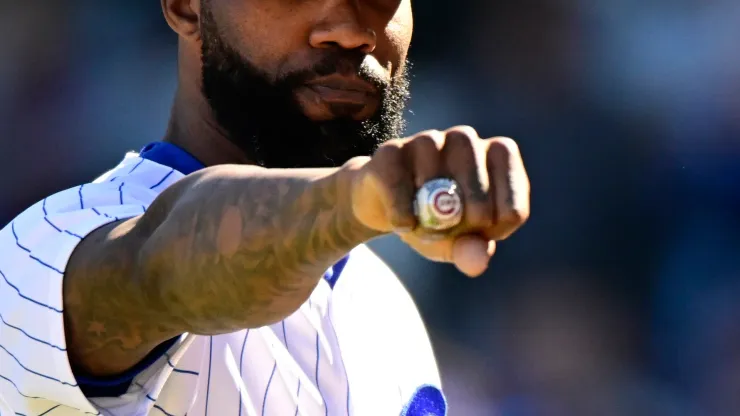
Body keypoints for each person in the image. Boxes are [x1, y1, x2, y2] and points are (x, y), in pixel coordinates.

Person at [0, 0, 530, 414]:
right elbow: (162, 264)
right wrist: (351, 201)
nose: (348, 30)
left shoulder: (385, 300)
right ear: (187, 7)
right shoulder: (48, 242)